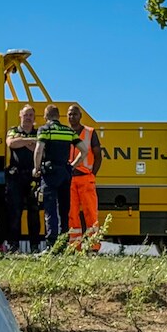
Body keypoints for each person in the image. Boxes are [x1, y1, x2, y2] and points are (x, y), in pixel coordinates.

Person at [33, 104, 88, 251]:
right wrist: (72, 166)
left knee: (50, 210)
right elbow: (84, 150)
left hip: (50, 173)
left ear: (46, 116)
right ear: (58, 116)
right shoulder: (68, 131)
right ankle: (63, 244)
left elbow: (39, 151)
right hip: (65, 173)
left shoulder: (45, 130)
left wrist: (36, 168)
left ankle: (52, 245)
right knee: (64, 209)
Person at [2, 105, 41, 253]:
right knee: (14, 211)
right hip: (15, 177)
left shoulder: (39, 132)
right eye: (26, 114)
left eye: (31, 115)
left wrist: (22, 142)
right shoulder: (13, 130)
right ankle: (13, 245)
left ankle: (35, 246)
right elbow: (11, 143)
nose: (28, 117)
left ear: (34, 117)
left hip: (33, 177)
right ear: (20, 115)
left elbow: (41, 149)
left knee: (34, 212)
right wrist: (30, 142)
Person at [67, 105, 102, 252]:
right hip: (70, 179)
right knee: (72, 214)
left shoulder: (90, 132)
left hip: (86, 178)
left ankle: (93, 247)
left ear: (80, 116)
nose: (72, 117)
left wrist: (92, 174)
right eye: (69, 114)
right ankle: (76, 247)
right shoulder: (66, 133)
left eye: (74, 114)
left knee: (91, 214)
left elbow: (98, 155)